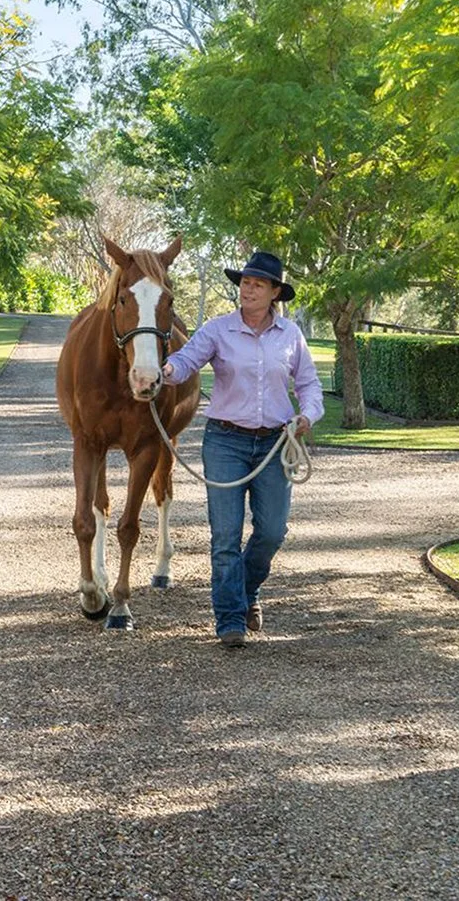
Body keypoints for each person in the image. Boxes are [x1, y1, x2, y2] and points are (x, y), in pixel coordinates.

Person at [159, 250, 323, 648]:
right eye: (245, 283)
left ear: (275, 293)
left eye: (257, 284)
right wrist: (166, 372)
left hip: (275, 443)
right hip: (226, 441)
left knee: (271, 531)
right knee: (226, 536)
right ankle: (230, 617)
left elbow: (308, 385)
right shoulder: (218, 330)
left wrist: (308, 416)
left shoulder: (291, 336)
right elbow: (187, 360)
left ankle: (247, 591)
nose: (248, 289)